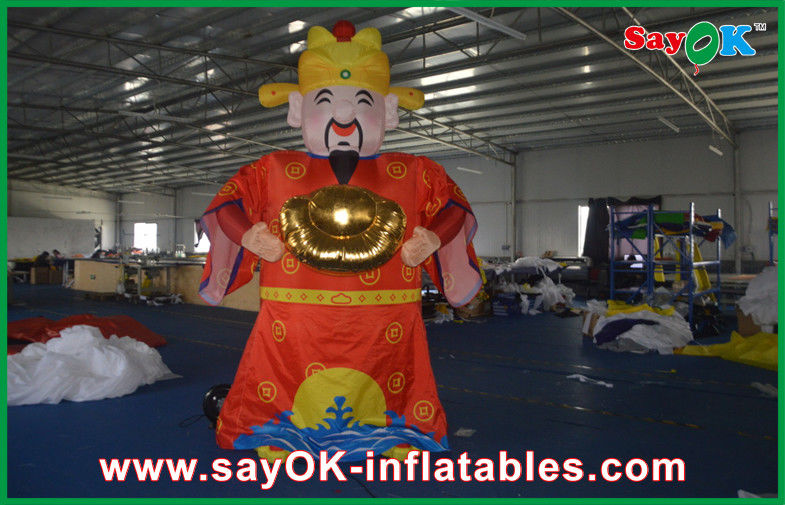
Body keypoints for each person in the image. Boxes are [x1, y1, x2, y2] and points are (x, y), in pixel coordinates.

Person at [199, 20, 482, 462]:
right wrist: (248, 235)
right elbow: (227, 204)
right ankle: (279, 432)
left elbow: (454, 208)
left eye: (363, 103)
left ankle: (395, 433)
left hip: (385, 318)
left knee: (390, 379)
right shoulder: (272, 170)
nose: (345, 117)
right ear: (297, 110)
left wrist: (434, 237)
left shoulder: (415, 173)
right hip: (294, 317)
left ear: (389, 112)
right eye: (325, 102)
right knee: (283, 379)